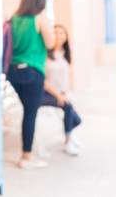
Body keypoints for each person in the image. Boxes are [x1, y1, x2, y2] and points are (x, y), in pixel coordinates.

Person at [7, 0, 55, 169]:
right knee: (30, 113)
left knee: (27, 111)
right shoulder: (40, 19)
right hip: (32, 71)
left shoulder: (14, 18)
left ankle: (28, 152)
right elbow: (50, 44)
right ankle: (26, 156)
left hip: (13, 72)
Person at [42, 24, 82, 156]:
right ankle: (68, 141)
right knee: (68, 108)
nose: (58, 35)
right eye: (56, 33)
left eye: (61, 33)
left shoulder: (66, 54)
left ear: (66, 37)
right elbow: (44, 81)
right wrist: (58, 95)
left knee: (77, 119)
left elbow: (65, 78)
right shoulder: (45, 54)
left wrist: (65, 93)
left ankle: (68, 132)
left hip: (61, 93)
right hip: (47, 93)